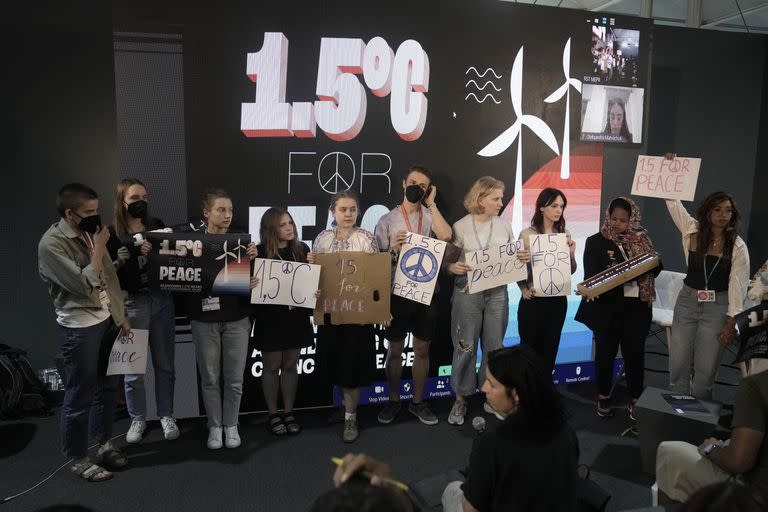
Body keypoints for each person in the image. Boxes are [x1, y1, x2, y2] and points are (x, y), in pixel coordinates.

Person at [38, 183, 131, 482]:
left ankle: (103, 443)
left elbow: (108, 277)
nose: (95, 216)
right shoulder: (51, 244)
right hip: (79, 328)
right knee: (80, 395)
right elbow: (82, 284)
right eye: (88, 212)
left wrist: (120, 315)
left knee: (107, 388)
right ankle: (78, 457)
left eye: (96, 210)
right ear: (69, 213)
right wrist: (101, 247)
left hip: (106, 321)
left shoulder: (89, 234)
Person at [442, 346, 579, 511]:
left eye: (491, 384)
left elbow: (471, 509)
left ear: (516, 394)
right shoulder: (567, 433)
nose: (484, 388)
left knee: (452, 490)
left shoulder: (491, 444)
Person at [445, 177, 528, 426]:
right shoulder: (460, 226)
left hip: (497, 295)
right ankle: (460, 399)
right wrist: (452, 268)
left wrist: (521, 257)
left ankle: (492, 398)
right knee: (465, 347)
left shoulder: (504, 226)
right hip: (467, 293)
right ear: (480, 199)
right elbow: (446, 264)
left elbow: (512, 260)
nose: (501, 203)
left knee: (495, 347)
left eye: (501, 198)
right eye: (496, 198)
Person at [374, 165, 452, 427]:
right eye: (414, 183)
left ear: (428, 191)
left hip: (427, 292)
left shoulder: (429, 216)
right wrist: (394, 250)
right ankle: (393, 399)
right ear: (404, 183)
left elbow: (446, 236)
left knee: (422, 348)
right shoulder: (386, 220)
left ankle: (417, 402)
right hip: (397, 293)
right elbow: (377, 263)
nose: (417, 188)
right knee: (394, 350)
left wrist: (431, 204)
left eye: (424, 186)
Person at [184, 188, 258, 450]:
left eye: (230, 210)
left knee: (235, 378)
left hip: (237, 317)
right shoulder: (190, 243)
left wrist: (253, 272)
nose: (227, 215)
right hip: (204, 319)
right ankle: (214, 426)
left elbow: (254, 282)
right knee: (210, 378)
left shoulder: (243, 242)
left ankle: (231, 424)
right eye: (221, 210)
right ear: (207, 213)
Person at [107, 178, 179, 444]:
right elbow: (105, 276)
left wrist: (160, 250)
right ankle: (137, 418)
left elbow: (174, 260)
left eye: (144, 197)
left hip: (161, 300)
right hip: (132, 304)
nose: (141, 202)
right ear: (122, 201)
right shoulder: (111, 233)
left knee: (165, 365)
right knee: (133, 368)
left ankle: (166, 414)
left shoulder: (156, 225)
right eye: (135, 197)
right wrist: (119, 260)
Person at [575, 197, 661, 419]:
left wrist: (638, 269)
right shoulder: (595, 241)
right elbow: (591, 275)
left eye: (623, 220)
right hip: (607, 308)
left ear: (632, 219)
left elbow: (656, 268)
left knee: (635, 355)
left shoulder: (643, 240)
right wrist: (618, 273)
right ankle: (603, 396)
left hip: (637, 308)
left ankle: (635, 399)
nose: (617, 223)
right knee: (605, 354)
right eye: (614, 218)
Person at [666, 188, 750, 400]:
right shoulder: (692, 230)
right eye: (718, 209)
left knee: (706, 367)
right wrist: (670, 170)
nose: (723, 215)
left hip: (717, 307)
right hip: (687, 302)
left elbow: (738, 287)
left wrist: (732, 322)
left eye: (728, 210)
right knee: (678, 362)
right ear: (707, 211)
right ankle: (679, 410)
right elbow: (673, 203)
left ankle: (698, 419)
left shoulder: (738, 247)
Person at [309, 190, 378, 443]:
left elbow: (374, 277)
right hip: (330, 313)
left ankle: (351, 417)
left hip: (357, 316)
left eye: (352, 209)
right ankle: (342, 409)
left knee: (351, 366)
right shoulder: (322, 239)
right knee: (334, 363)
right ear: (333, 212)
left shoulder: (366, 238)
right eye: (343, 209)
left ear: (357, 211)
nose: (348, 214)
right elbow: (314, 274)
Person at [656, 368, 768, 502]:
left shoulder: (756, 385)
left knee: (668, 452)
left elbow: (737, 462)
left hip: (755, 493)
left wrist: (710, 449)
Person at [252, 207, 314, 436]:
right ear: (270, 229)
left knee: (290, 365)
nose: (289, 228)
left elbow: (309, 282)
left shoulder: (302, 249)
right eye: (283, 225)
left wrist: (313, 290)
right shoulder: (257, 253)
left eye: (290, 223)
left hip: (295, 317)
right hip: (270, 318)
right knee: (271, 366)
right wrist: (250, 284)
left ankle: (289, 412)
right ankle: (273, 413)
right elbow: (249, 289)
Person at [517, 187, 577, 373]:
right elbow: (517, 269)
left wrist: (571, 255)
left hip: (557, 301)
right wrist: (523, 288)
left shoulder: (564, 234)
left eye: (562, 206)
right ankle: (526, 396)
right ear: (542, 208)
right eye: (554, 205)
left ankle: (543, 395)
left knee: (550, 351)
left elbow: (571, 270)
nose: (559, 210)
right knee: (528, 352)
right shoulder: (527, 234)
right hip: (533, 300)